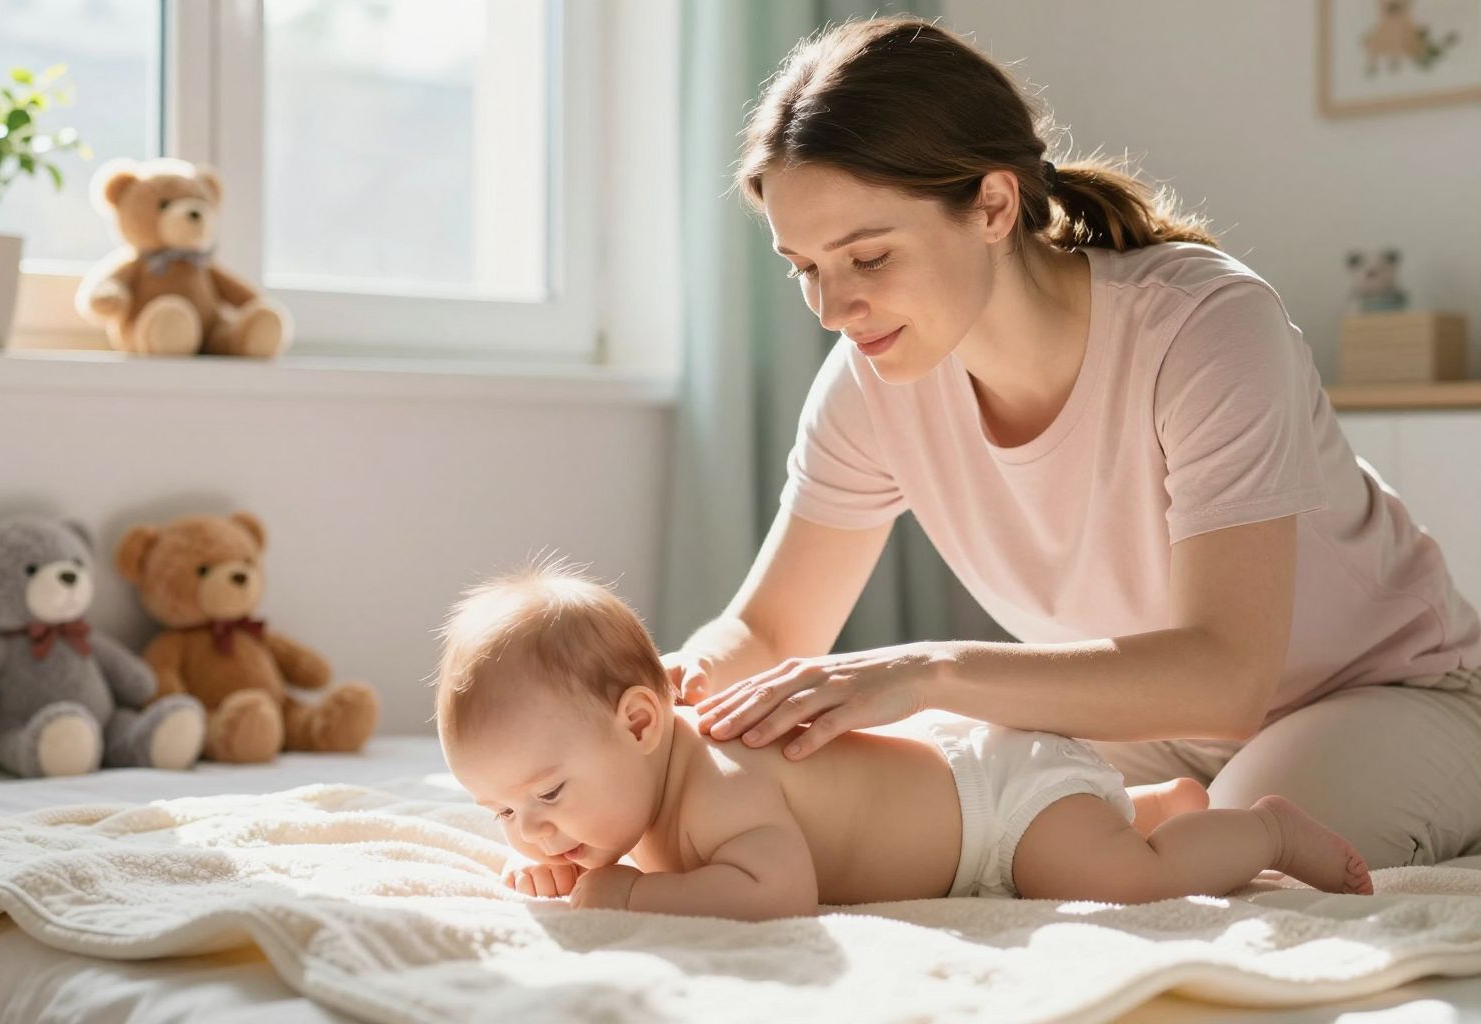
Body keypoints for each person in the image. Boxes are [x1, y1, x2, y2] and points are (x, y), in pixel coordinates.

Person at [666, 16, 1481, 871]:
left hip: (1387, 694)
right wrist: (651, 690)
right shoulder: (870, 383)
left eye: (867, 258)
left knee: (1234, 861)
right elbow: (768, 630)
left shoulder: (1206, 327)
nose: (833, 309)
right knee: (939, 818)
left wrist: (929, 670)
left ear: (992, 204)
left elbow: (1226, 676)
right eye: (804, 268)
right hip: (1148, 727)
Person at [434, 563, 1371, 917]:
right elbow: (618, 843)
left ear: (643, 722)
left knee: (1114, 881)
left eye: (548, 797)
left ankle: (1263, 832)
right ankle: (1158, 806)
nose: (531, 829)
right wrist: (572, 859)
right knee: (1108, 840)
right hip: (968, 786)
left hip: (999, 804)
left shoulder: (717, 780)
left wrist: (634, 895)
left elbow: (776, 890)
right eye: (504, 810)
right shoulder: (631, 791)